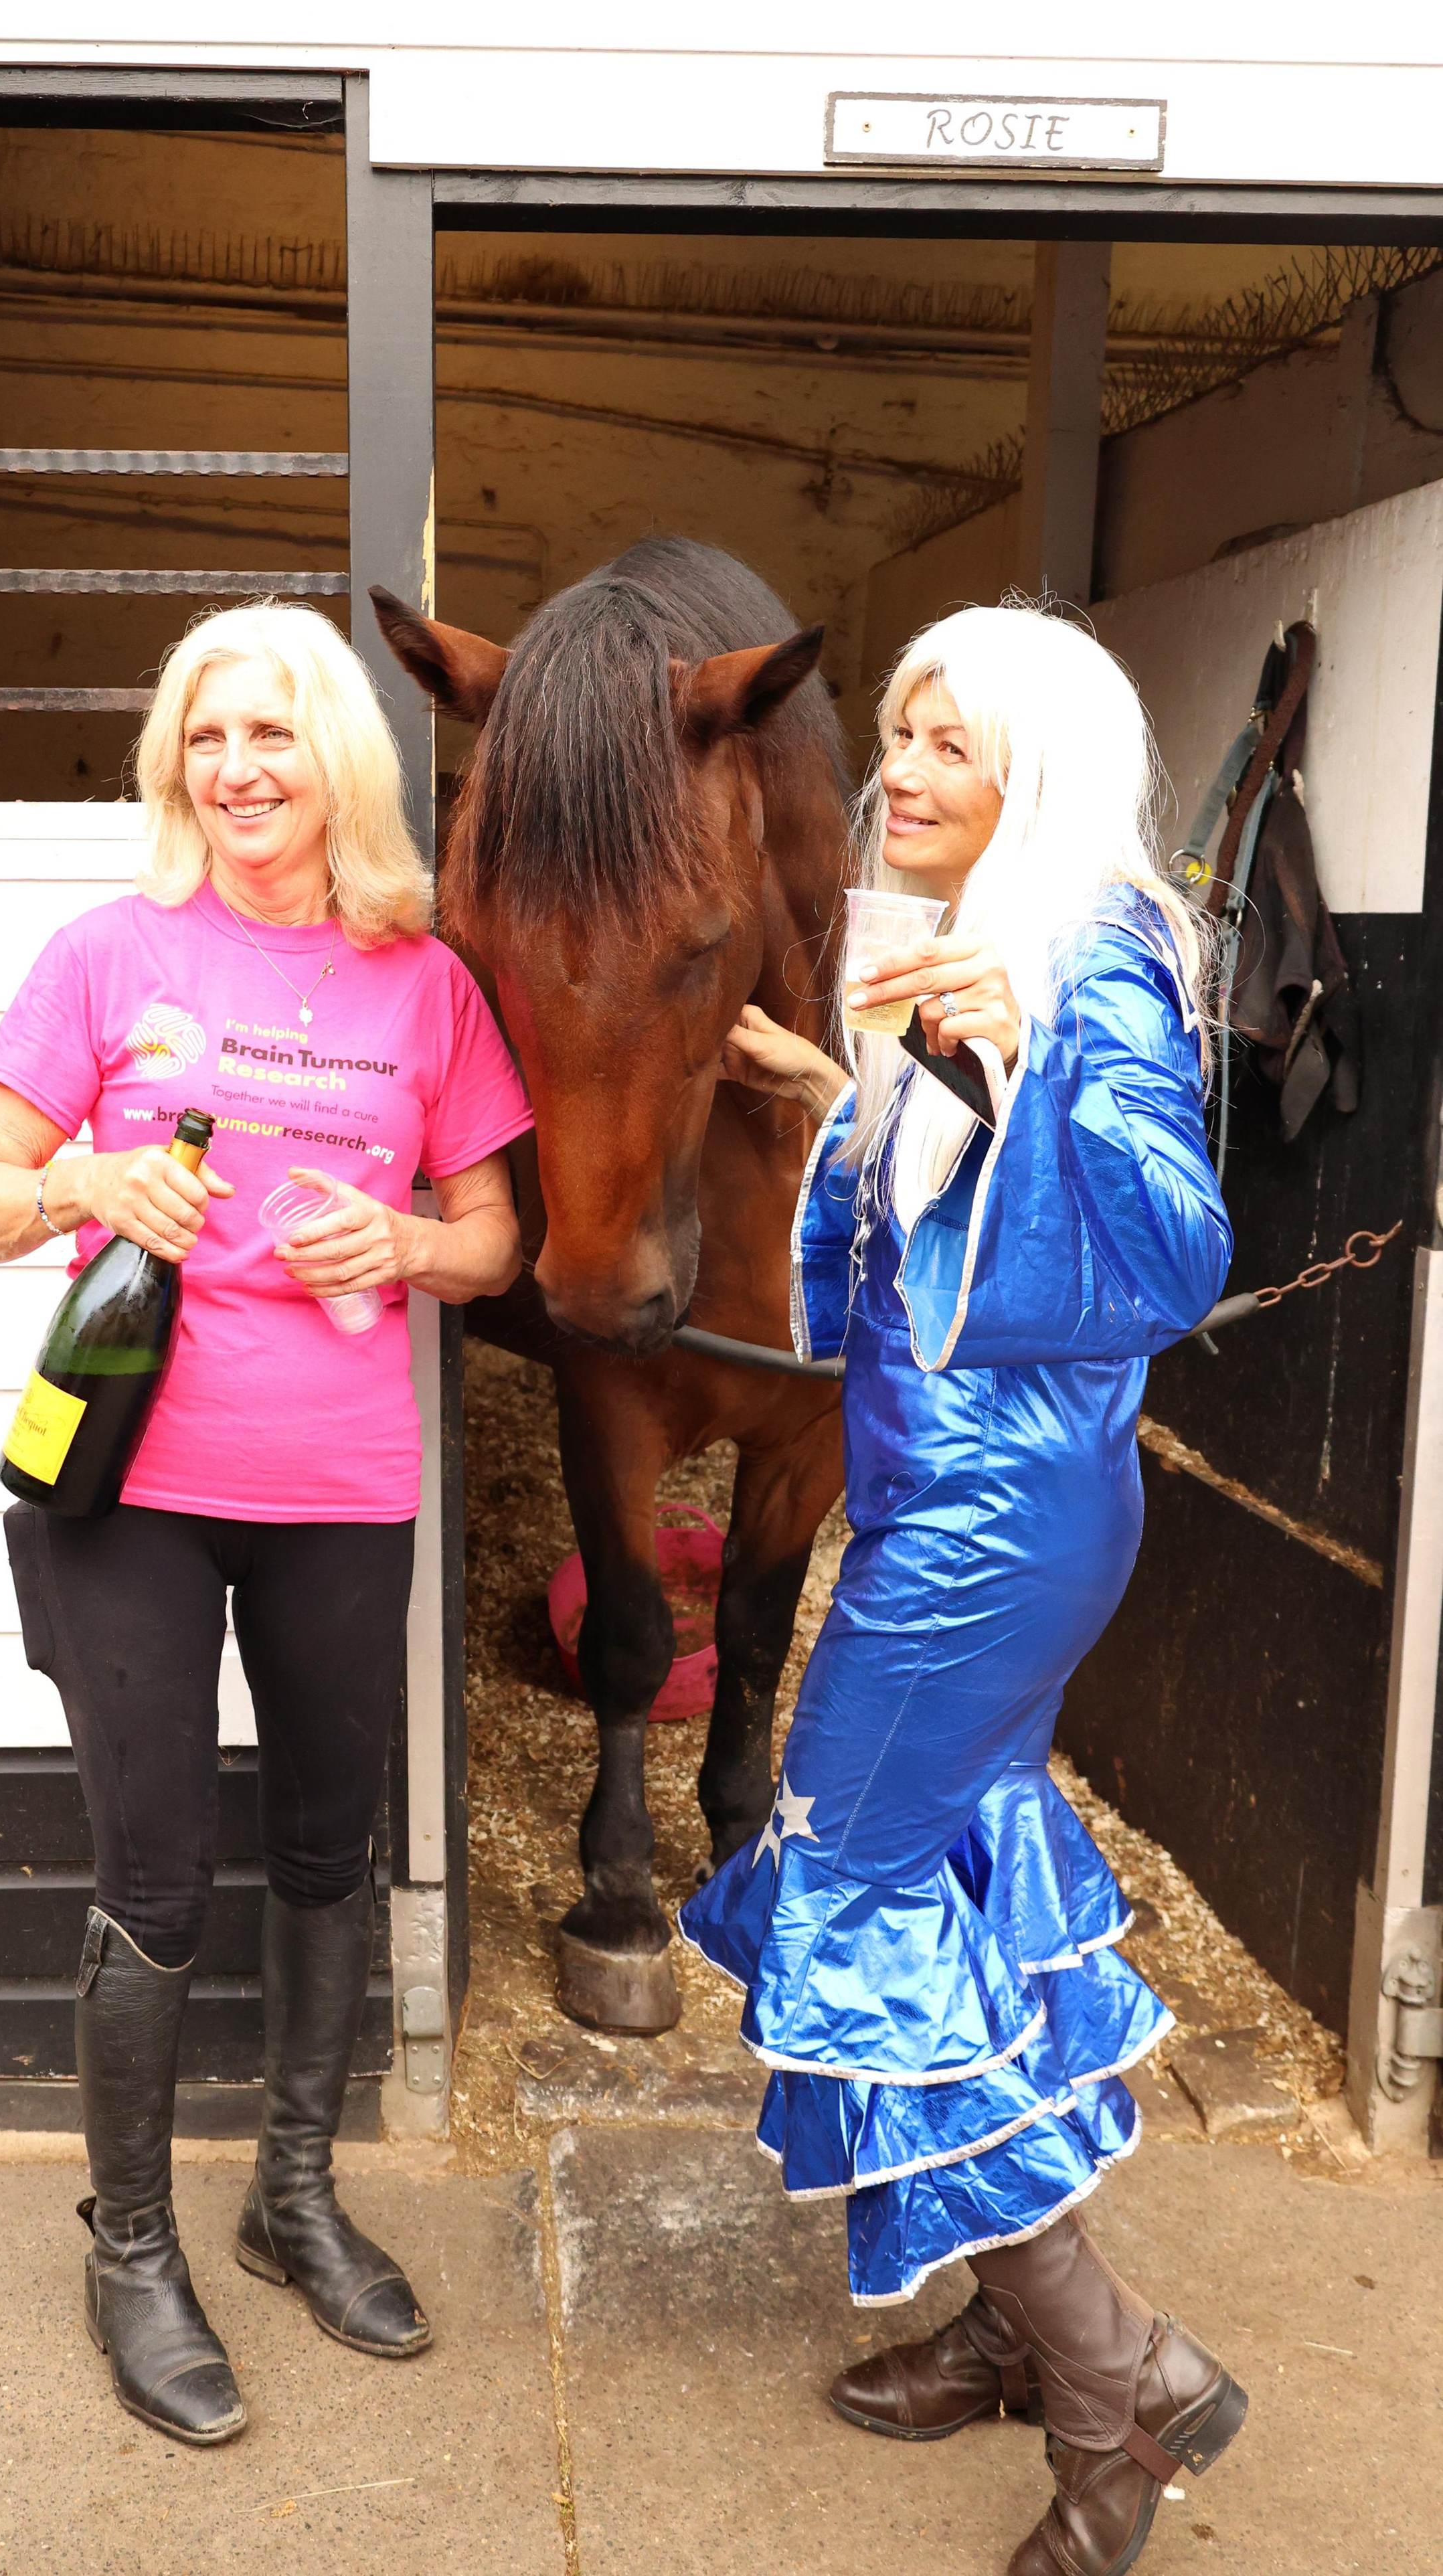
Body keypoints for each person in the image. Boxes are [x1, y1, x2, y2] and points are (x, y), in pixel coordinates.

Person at [679, 604, 1243, 2576]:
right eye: (898, 732)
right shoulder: (961, 957)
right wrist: (848, 1090)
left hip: (995, 1525)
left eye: (947, 744)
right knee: (944, 1864)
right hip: (970, 1508)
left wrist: (1019, 1064)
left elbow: (1173, 1255)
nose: (901, 770)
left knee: (841, 1891)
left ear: (1035, 780)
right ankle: (1017, 2326)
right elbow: (938, 1216)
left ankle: (1121, 2381)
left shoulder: (1080, 960)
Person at [0, 603, 532, 2445]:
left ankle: (290, 2195)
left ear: (336, 754)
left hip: (344, 1487)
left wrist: (416, 1244)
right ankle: (129, 2243)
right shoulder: (108, 956)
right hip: (134, 1494)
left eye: (271, 732)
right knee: (159, 1875)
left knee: (335, 1850)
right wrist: (81, 1180)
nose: (238, 769)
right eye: (206, 737)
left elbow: (498, 1234)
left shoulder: (421, 981)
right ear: (175, 764)